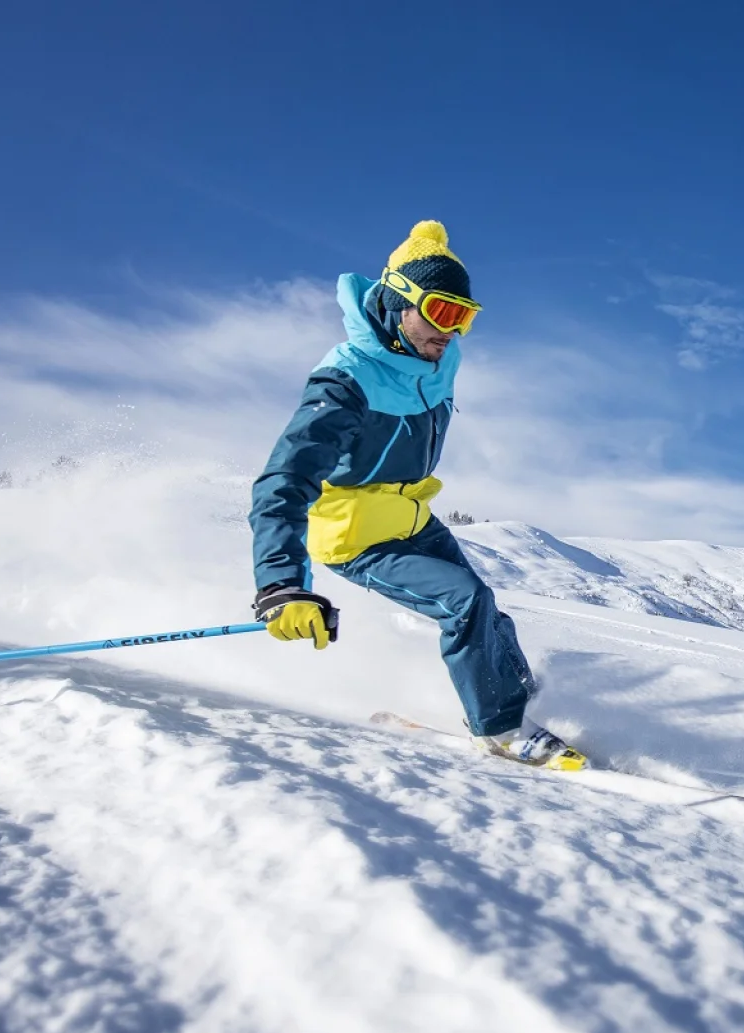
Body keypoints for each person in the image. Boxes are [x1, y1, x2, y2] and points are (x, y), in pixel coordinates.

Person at [247, 220, 583, 770]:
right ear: (396, 304)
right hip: (356, 534)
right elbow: (282, 481)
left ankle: (518, 694)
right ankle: (501, 731)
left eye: (464, 318)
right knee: (464, 603)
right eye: (441, 313)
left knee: (487, 610)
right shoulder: (344, 380)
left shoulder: (435, 354)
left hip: (411, 517)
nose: (450, 333)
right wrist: (281, 585)